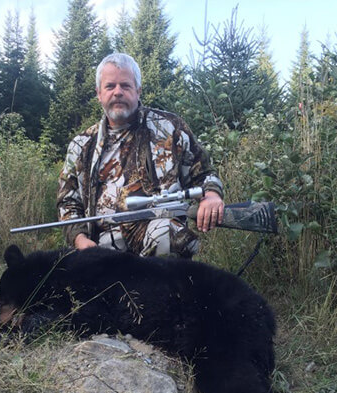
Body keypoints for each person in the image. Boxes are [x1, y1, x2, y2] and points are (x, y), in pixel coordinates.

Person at [57, 53, 224, 258]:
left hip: (159, 245)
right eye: (110, 86)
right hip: (102, 249)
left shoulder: (170, 128)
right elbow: (68, 203)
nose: (118, 92)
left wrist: (211, 196)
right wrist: (80, 240)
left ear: (138, 91)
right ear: (98, 93)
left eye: (125, 86)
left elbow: (204, 173)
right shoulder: (81, 145)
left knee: (168, 234)